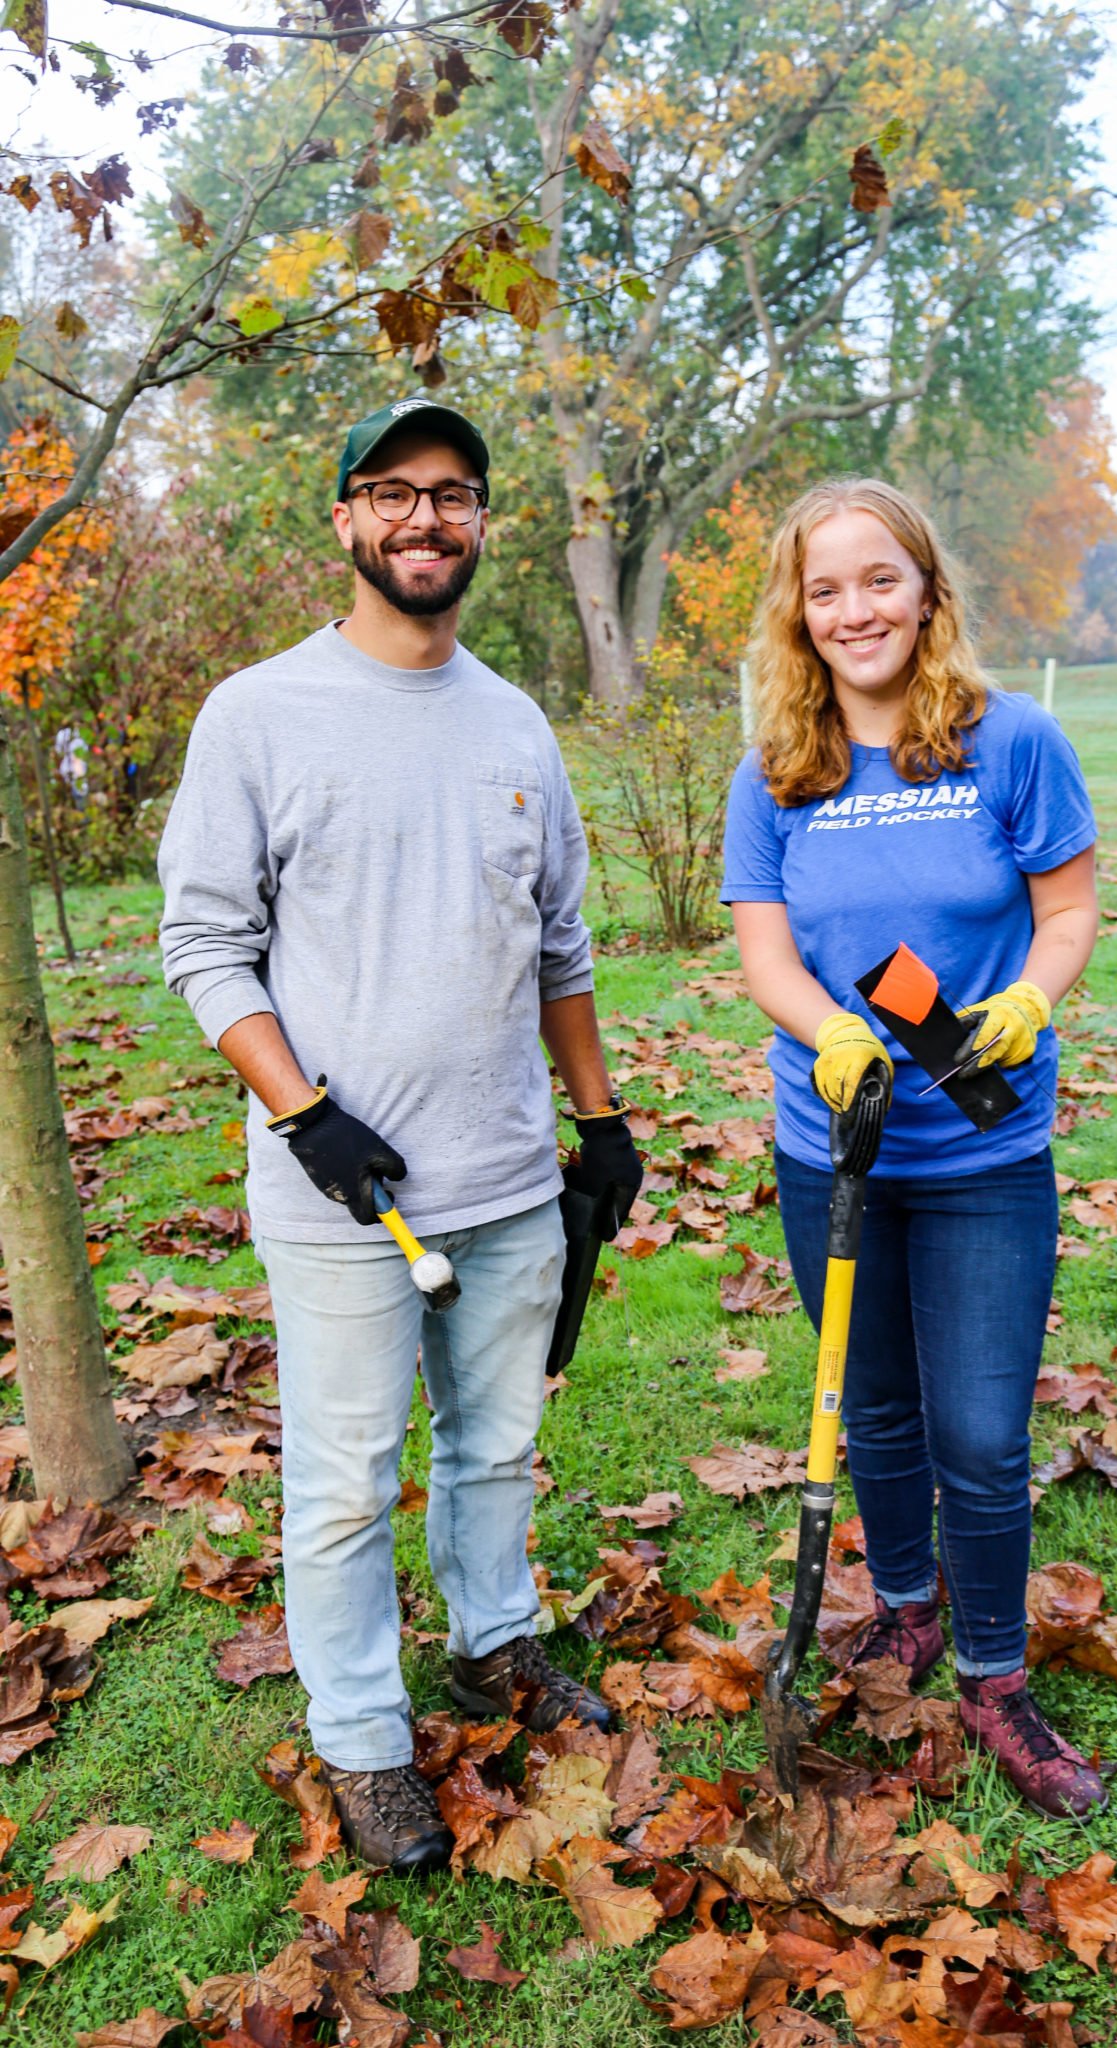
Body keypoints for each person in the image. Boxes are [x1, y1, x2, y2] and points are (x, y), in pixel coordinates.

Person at [159, 397, 643, 1873]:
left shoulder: (512, 722)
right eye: (392, 493)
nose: (423, 519)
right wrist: (302, 1115)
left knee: (495, 1450)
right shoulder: (258, 714)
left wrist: (601, 1128)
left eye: (452, 495)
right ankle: (364, 1740)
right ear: (347, 520)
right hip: (342, 1199)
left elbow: (556, 945)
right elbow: (203, 946)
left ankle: (493, 1644)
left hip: (504, 1182)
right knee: (346, 1481)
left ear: (482, 521)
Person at [721, 478, 1104, 1819]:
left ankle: (994, 1677)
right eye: (823, 590)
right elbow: (764, 947)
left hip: (981, 1158)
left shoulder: (1010, 742)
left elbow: (1066, 910)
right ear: (798, 614)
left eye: (877, 580)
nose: (853, 610)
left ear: (925, 590)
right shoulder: (777, 764)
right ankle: (903, 1608)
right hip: (832, 1147)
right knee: (871, 1407)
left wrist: (1028, 1000)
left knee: (983, 1435)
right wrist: (826, 1027)